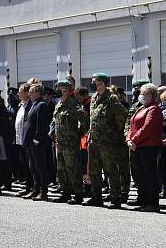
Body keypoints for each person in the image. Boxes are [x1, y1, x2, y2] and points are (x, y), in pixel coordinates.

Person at [84, 73, 129, 209]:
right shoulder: (94, 98)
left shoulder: (111, 98)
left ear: (102, 83)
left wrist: (114, 133)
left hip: (107, 142)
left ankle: (116, 199)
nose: (93, 84)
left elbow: (123, 115)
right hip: (94, 141)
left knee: (110, 171)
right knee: (94, 171)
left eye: (95, 82)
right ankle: (96, 197)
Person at [126, 83, 164, 212]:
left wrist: (133, 140)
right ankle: (145, 202)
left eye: (145, 94)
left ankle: (153, 204)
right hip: (138, 146)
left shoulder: (153, 109)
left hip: (149, 147)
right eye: (141, 93)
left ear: (152, 96)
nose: (141, 96)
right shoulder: (141, 108)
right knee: (142, 175)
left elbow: (147, 128)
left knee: (150, 175)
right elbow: (132, 126)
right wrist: (129, 139)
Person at [51, 80, 88, 204]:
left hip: (70, 144)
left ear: (68, 90)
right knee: (61, 170)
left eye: (63, 89)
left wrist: (78, 134)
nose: (61, 91)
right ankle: (65, 193)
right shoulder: (58, 104)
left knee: (73, 170)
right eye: (59, 88)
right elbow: (55, 120)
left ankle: (78, 195)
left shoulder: (73, 104)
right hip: (59, 143)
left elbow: (85, 121)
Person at [21, 84, 52, 201]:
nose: (29, 94)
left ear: (38, 93)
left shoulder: (41, 105)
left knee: (40, 167)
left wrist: (36, 139)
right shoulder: (33, 104)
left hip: (36, 143)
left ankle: (44, 192)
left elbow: (42, 125)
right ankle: (35, 190)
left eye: (31, 92)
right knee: (33, 167)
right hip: (29, 142)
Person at [124, 79, 150, 205]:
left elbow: (147, 126)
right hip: (132, 143)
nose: (136, 91)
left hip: (143, 143)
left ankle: (146, 197)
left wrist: (134, 139)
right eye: (134, 88)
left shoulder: (150, 106)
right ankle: (141, 196)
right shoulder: (134, 106)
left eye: (139, 88)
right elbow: (128, 123)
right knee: (135, 171)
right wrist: (127, 137)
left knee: (145, 171)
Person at [14, 84, 33, 196]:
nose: (18, 94)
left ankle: (34, 188)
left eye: (20, 91)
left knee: (31, 166)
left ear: (26, 93)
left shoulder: (30, 105)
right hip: (19, 139)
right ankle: (28, 187)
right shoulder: (20, 105)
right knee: (24, 165)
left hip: (27, 140)